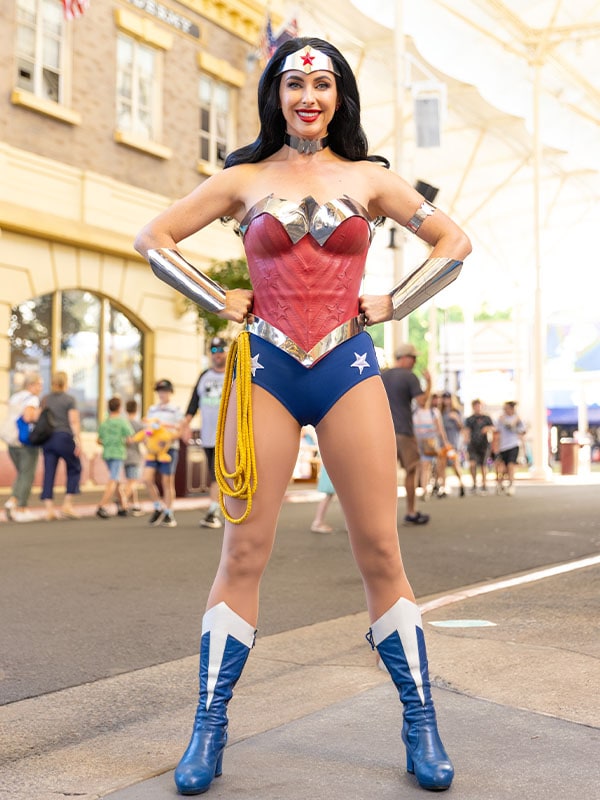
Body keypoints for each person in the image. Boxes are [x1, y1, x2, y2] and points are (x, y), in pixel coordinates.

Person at [134, 37, 471, 795]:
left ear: (341, 94)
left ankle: (422, 722)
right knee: (243, 554)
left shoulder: (371, 179)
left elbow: (455, 242)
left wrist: (397, 301)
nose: (309, 95)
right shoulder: (243, 179)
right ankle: (208, 729)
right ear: (275, 95)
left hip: (349, 367)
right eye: (295, 83)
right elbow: (152, 238)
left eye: (322, 82)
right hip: (267, 372)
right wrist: (210, 295)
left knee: (382, 551)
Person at [382, 343, 432, 524]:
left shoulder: (382, 375)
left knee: (382, 475)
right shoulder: (410, 377)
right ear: (404, 357)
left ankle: (379, 517)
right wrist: (429, 383)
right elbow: (422, 403)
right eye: (413, 357)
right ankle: (411, 511)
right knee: (411, 470)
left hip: (382, 433)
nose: (415, 361)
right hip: (403, 431)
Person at [182, 336, 228, 528]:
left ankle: (214, 511)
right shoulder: (204, 376)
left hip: (229, 434)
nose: (217, 355)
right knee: (216, 475)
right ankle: (217, 510)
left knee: (221, 475)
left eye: (220, 351)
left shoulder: (234, 374)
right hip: (209, 436)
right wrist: (185, 426)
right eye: (213, 351)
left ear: (227, 352)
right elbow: (193, 404)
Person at [1, 374, 43, 522]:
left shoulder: (16, 396)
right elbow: (28, 417)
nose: (41, 387)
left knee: (21, 473)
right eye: (39, 384)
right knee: (27, 475)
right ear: (31, 385)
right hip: (25, 442)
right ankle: (21, 508)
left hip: (11, 441)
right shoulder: (32, 399)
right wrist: (40, 415)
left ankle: (12, 500)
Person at [40, 371, 82, 521]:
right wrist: (78, 441)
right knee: (75, 467)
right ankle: (67, 505)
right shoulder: (69, 399)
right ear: (65, 383)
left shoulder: (45, 399)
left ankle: (49, 509)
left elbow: (40, 418)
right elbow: (73, 421)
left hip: (47, 439)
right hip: (63, 437)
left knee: (49, 472)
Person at [143, 379, 183, 528]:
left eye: (165, 391)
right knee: (146, 478)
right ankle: (157, 506)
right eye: (160, 391)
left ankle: (169, 512)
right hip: (153, 451)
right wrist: (147, 440)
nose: (162, 394)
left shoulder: (175, 409)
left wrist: (166, 439)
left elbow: (179, 430)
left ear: (170, 392)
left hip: (169, 449)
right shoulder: (152, 410)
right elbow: (147, 429)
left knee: (167, 481)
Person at [96, 396, 134, 518]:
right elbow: (129, 439)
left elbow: (99, 440)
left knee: (116, 479)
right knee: (113, 479)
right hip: (118, 453)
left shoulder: (105, 422)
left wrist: (108, 442)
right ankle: (102, 505)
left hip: (107, 453)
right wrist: (121, 442)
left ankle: (123, 506)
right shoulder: (122, 422)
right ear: (119, 407)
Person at [412, 392, 449, 500]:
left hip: (432, 442)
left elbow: (440, 428)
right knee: (424, 466)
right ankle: (424, 489)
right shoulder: (415, 412)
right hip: (419, 442)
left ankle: (441, 486)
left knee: (439, 465)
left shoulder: (434, 412)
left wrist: (445, 442)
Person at [494, 401, 526, 495]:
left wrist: (509, 421)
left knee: (511, 465)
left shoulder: (518, 418)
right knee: (503, 468)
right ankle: (500, 483)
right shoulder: (500, 418)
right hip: (503, 446)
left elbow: (521, 431)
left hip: (513, 444)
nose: (505, 410)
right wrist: (496, 446)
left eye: (506, 408)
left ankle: (511, 485)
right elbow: (497, 432)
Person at [464, 398, 494, 494]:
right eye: (476, 406)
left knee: (483, 464)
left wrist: (487, 428)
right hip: (473, 444)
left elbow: (493, 427)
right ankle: (474, 484)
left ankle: (484, 485)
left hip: (484, 444)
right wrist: (466, 441)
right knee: (472, 464)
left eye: (479, 405)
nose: (478, 408)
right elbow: (466, 431)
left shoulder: (486, 418)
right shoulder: (469, 419)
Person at [438, 391, 465, 497]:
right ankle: (443, 488)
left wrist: (456, 419)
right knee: (442, 465)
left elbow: (462, 427)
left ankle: (461, 484)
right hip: (442, 442)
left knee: (455, 464)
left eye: (448, 398)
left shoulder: (456, 411)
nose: (446, 401)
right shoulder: (440, 412)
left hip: (453, 442)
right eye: (444, 398)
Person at [123, 399, 145, 515]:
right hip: (135, 456)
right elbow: (145, 437)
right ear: (137, 410)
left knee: (130, 480)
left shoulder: (123, 423)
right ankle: (122, 500)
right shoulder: (138, 425)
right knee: (133, 481)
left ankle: (135, 504)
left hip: (124, 456)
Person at [311, 461, 337, 533]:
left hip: (331, 468)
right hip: (333, 469)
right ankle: (317, 522)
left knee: (330, 496)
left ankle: (317, 522)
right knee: (329, 496)